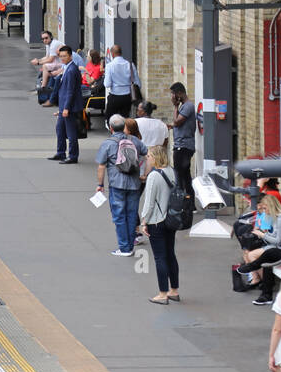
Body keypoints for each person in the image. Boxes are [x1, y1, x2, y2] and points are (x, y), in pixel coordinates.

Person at [96, 114, 147, 257]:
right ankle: (130, 245)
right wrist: (144, 174)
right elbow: (148, 155)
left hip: (116, 184)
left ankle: (124, 248)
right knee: (131, 214)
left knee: (119, 216)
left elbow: (101, 166)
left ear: (110, 128)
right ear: (124, 126)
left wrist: (100, 184)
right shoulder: (134, 140)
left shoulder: (108, 143)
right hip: (134, 184)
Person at [138, 144, 181, 305]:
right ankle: (174, 290)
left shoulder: (154, 176)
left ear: (155, 158)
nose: (147, 159)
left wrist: (143, 221)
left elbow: (149, 202)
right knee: (171, 254)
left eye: (149, 156)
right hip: (171, 219)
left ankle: (162, 293)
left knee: (159, 257)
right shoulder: (172, 171)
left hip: (157, 220)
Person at [48, 46, 85, 165]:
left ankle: (73, 156)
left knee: (71, 132)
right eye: (61, 56)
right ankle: (60, 153)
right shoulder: (67, 67)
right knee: (60, 129)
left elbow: (70, 91)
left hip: (69, 107)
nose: (62, 58)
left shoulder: (71, 70)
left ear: (70, 56)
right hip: (64, 105)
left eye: (65, 56)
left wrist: (66, 108)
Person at [169, 82, 197, 197]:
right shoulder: (184, 106)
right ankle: (186, 199)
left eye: (173, 94)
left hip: (184, 146)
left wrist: (175, 106)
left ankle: (186, 199)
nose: (172, 97)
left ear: (179, 94)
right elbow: (177, 123)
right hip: (181, 144)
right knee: (183, 173)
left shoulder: (188, 106)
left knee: (181, 173)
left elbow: (177, 121)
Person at [102, 45, 140, 125]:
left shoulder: (110, 66)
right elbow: (137, 82)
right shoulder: (130, 64)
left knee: (111, 119)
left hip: (115, 96)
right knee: (125, 119)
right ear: (121, 53)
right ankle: (124, 135)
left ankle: (115, 135)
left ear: (112, 54)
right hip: (127, 96)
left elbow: (107, 84)